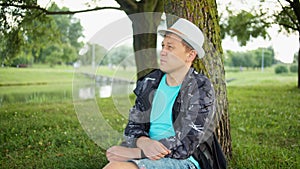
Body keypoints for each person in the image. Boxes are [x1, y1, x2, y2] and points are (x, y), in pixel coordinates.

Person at [103, 18, 215, 169]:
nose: (163, 52)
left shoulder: (200, 87)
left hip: (185, 160)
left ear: (190, 55)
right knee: (114, 164)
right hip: (147, 150)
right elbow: (133, 127)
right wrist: (144, 143)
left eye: (171, 47)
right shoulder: (150, 81)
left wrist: (137, 153)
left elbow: (186, 144)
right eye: (163, 46)